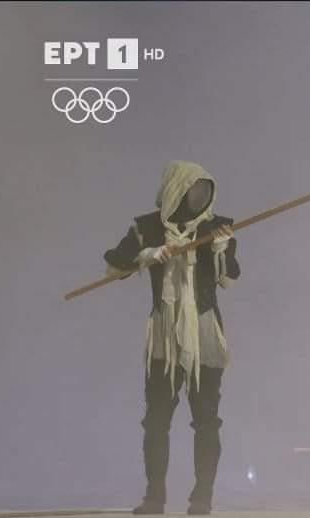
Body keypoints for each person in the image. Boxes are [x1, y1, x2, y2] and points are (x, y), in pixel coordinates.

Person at [104, 160, 240, 515]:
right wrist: (146, 255)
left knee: (207, 420)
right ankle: (154, 497)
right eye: (193, 190)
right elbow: (114, 267)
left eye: (204, 191)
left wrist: (220, 250)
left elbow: (228, 279)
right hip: (164, 335)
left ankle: (202, 499)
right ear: (176, 190)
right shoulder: (147, 227)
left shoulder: (216, 227)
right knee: (156, 420)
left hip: (204, 333)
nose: (200, 198)